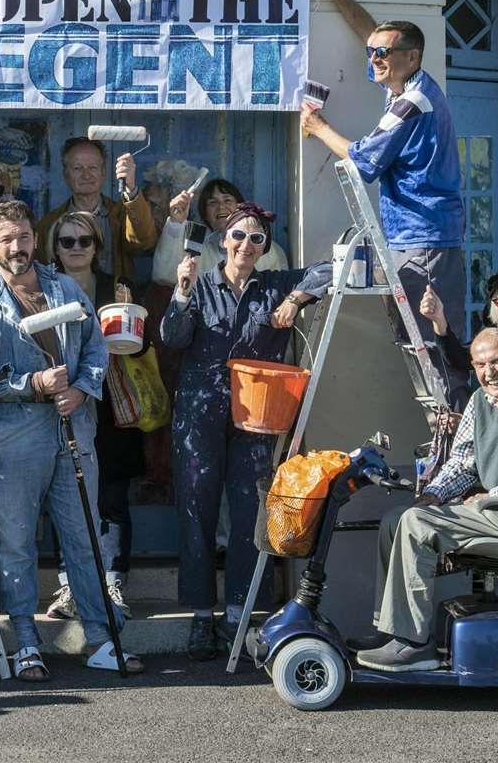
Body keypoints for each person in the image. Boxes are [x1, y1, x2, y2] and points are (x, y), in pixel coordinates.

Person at [0, 199, 142, 682]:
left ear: (33, 239)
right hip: (13, 435)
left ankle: (100, 639)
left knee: (83, 536)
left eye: (23, 237)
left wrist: (83, 388)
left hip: (74, 429)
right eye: (7, 240)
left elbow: (97, 347)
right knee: (16, 543)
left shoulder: (65, 288)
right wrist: (30, 383)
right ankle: (25, 642)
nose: (17, 247)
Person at [160, 203, 330, 659]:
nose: (246, 246)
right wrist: (180, 291)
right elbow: (172, 338)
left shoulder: (275, 284)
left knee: (249, 512)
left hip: (257, 415)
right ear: (222, 238)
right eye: (238, 235)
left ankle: (238, 612)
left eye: (257, 239)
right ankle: (200, 615)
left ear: (265, 246)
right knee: (196, 511)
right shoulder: (199, 283)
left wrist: (296, 300)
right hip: (199, 414)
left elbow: (333, 268)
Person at [296, 0, 466, 407]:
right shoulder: (408, 80)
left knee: (433, 347)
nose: (374, 60)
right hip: (417, 235)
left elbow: (363, 159)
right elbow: (372, 33)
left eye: (383, 54)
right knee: (420, 345)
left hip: (422, 239)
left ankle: (457, 435)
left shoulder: (410, 103)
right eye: (372, 53)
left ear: (411, 57)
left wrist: (316, 127)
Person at [356, 330, 498, 671]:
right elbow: (461, 463)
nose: (490, 372)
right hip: (491, 512)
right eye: (481, 365)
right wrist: (431, 495)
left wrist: (496, 495)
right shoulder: (480, 401)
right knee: (399, 518)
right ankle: (390, 631)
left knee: (416, 525)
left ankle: (415, 645)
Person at [42, 211, 141, 623]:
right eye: (67, 242)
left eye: (85, 241)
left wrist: (127, 315)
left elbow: (135, 344)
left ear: (97, 247)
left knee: (112, 497)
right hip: (61, 404)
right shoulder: (41, 288)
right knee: (66, 498)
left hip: (110, 402)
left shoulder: (114, 287)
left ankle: (112, 583)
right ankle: (70, 584)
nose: (76, 248)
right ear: (55, 247)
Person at [36, 137, 158, 279]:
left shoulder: (121, 215)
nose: (86, 175)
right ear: (66, 175)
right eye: (77, 168)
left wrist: (130, 187)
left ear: (104, 173)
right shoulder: (49, 224)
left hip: (113, 300)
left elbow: (145, 242)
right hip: (66, 300)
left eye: (93, 167)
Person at [152, 177, 288, 287]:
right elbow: (163, 276)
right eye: (212, 203)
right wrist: (176, 222)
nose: (221, 207)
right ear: (205, 214)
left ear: (240, 207)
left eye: (227, 200)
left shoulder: (266, 249)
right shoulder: (196, 247)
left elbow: (281, 292)